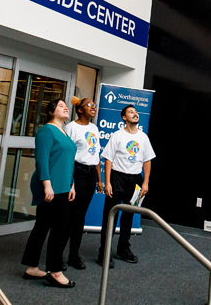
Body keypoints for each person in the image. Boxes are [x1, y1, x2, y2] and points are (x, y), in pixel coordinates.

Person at [21, 98, 77, 288]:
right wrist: (47, 185)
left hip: (63, 187)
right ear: (51, 111)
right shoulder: (46, 131)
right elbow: (42, 160)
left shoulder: (64, 132)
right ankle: (55, 271)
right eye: (61, 106)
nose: (65, 108)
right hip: (51, 187)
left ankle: (31, 268)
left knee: (42, 226)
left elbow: (67, 162)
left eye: (66, 106)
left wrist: (72, 184)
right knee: (60, 228)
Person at [98, 104, 155, 265]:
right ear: (124, 118)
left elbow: (147, 160)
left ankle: (123, 249)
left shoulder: (143, 137)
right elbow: (108, 159)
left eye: (136, 112)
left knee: (128, 215)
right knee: (110, 216)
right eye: (131, 112)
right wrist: (108, 182)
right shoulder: (117, 135)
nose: (135, 114)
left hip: (135, 181)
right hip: (117, 178)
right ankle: (104, 252)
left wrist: (145, 182)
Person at [65, 97, 103, 270]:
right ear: (80, 110)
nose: (93, 107)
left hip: (90, 175)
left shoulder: (94, 128)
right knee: (73, 214)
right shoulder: (71, 128)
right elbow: (67, 155)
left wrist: (99, 179)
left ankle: (74, 254)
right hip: (77, 172)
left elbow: (96, 155)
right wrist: (70, 180)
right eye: (89, 105)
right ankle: (60, 254)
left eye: (94, 105)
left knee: (81, 214)